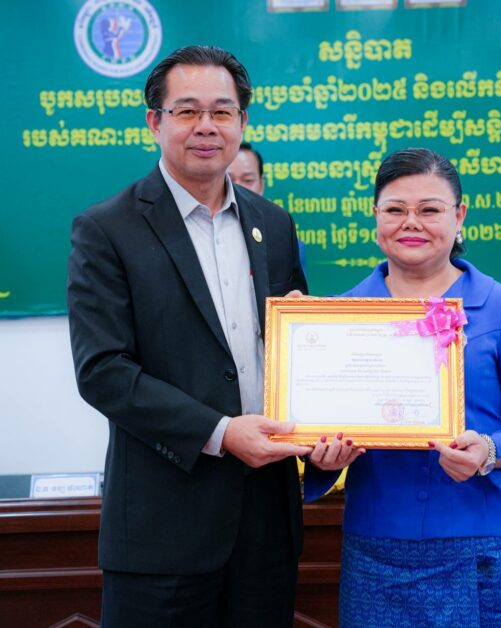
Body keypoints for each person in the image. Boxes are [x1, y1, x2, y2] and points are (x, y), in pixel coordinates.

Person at [67, 45, 312, 628]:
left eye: (222, 111)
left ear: (242, 122)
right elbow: (103, 371)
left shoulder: (273, 224)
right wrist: (221, 433)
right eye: (187, 111)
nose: (207, 126)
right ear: (155, 122)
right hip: (163, 529)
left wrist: (323, 422)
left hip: (266, 524)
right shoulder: (106, 229)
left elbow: (298, 352)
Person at [304, 148, 501, 627]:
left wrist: (491, 448)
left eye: (429, 209)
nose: (411, 223)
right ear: (375, 215)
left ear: (459, 216)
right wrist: (322, 456)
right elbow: (315, 428)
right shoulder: (339, 316)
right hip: (374, 549)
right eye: (395, 209)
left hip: (479, 545)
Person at [229, 142, 308, 277]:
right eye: (229, 180)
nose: (238, 188)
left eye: (248, 180)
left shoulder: (285, 242)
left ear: (261, 184)